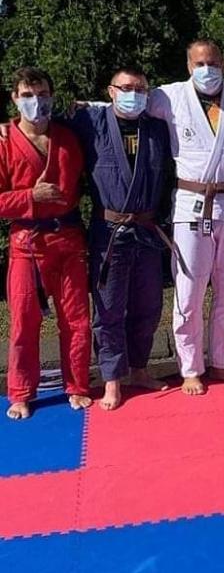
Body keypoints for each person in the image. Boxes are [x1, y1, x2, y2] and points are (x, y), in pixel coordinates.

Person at [147, 40, 224, 395]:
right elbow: (125, 104)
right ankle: (190, 368)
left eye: (213, 62)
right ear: (188, 66)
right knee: (189, 292)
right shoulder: (169, 97)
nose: (207, 69)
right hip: (191, 205)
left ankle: (223, 362)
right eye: (199, 63)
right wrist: (84, 108)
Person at [71, 67, 172, 410]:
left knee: (148, 305)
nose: (134, 94)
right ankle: (112, 379)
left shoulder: (157, 128)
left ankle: (139, 369)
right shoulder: (90, 122)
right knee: (109, 307)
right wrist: (10, 127)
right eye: (126, 88)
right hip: (110, 231)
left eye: (140, 89)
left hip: (146, 229)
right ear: (111, 91)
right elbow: (44, 125)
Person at [0, 68, 92, 419]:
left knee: (77, 319)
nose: (35, 102)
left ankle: (77, 386)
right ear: (14, 98)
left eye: (41, 94)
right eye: (27, 95)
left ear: (51, 96)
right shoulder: (4, 142)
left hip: (68, 238)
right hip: (27, 241)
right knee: (24, 321)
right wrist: (29, 196)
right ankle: (21, 392)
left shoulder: (68, 137)